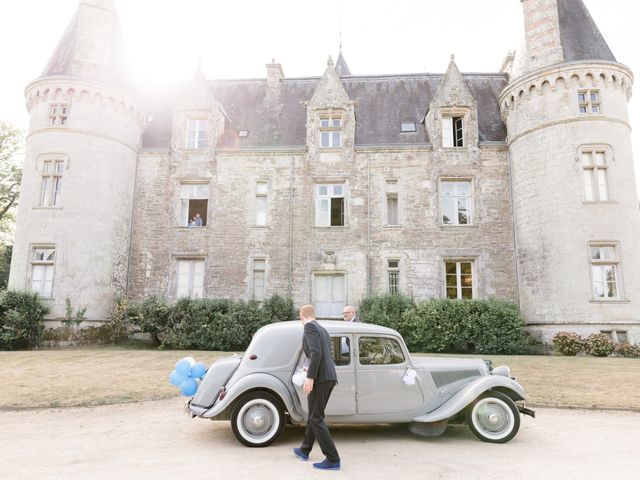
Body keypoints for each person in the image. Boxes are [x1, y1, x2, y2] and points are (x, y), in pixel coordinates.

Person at [293, 304, 341, 470]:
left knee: (316, 418)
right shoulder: (322, 329)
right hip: (328, 377)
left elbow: (316, 353)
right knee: (315, 415)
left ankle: (333, 459)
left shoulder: (309, 327)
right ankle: (304, 450)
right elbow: (324, 354)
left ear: (302, 315)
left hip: (320, 378)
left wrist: (310, 377)